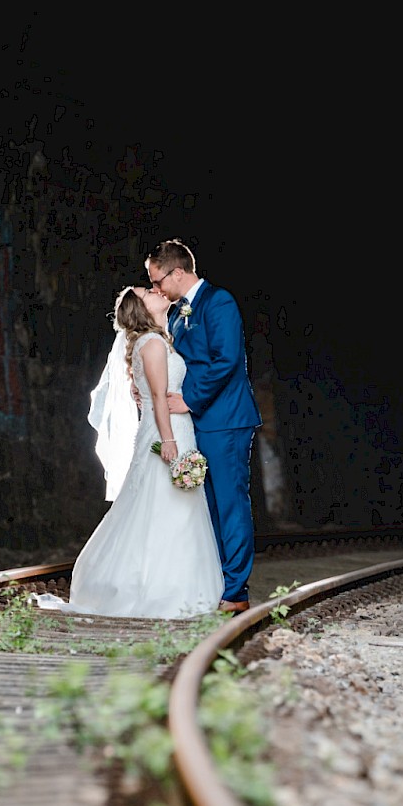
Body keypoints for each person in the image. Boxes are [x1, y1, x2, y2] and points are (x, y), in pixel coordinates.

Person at [41, 286, 224, 619]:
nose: (156, 290)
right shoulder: (152, 344)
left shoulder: (159, 339)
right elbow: (157, 397)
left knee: (173, 507)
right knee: (162, 506)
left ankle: (176, 586)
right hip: (167, 434)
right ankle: (157, 591)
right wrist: (169, 442)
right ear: (141, 307)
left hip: (176, 429)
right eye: (148, 291)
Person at [146, 239, 261, 613]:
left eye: (158, 280)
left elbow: (225, 359)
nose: (157, 288)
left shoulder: (219, 302)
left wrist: (188, 399)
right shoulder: (177, 313)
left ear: (178, 272)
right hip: (196, 424)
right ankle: (218, 583)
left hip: (225, 420)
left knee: (229, 504)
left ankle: (236, 592)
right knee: (206, 505)